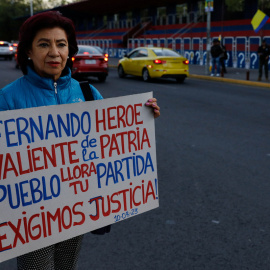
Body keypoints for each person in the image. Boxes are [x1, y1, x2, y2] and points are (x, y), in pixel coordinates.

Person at [0, 11, 160, 270]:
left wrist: (141, 117)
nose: (54, 52)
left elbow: (110, 142)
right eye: (44, 44)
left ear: (69, 49)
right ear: (28, 51)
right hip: (31, 220)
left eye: (61, 44)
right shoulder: (8, 98)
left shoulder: (87, 92)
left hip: (75, 212)